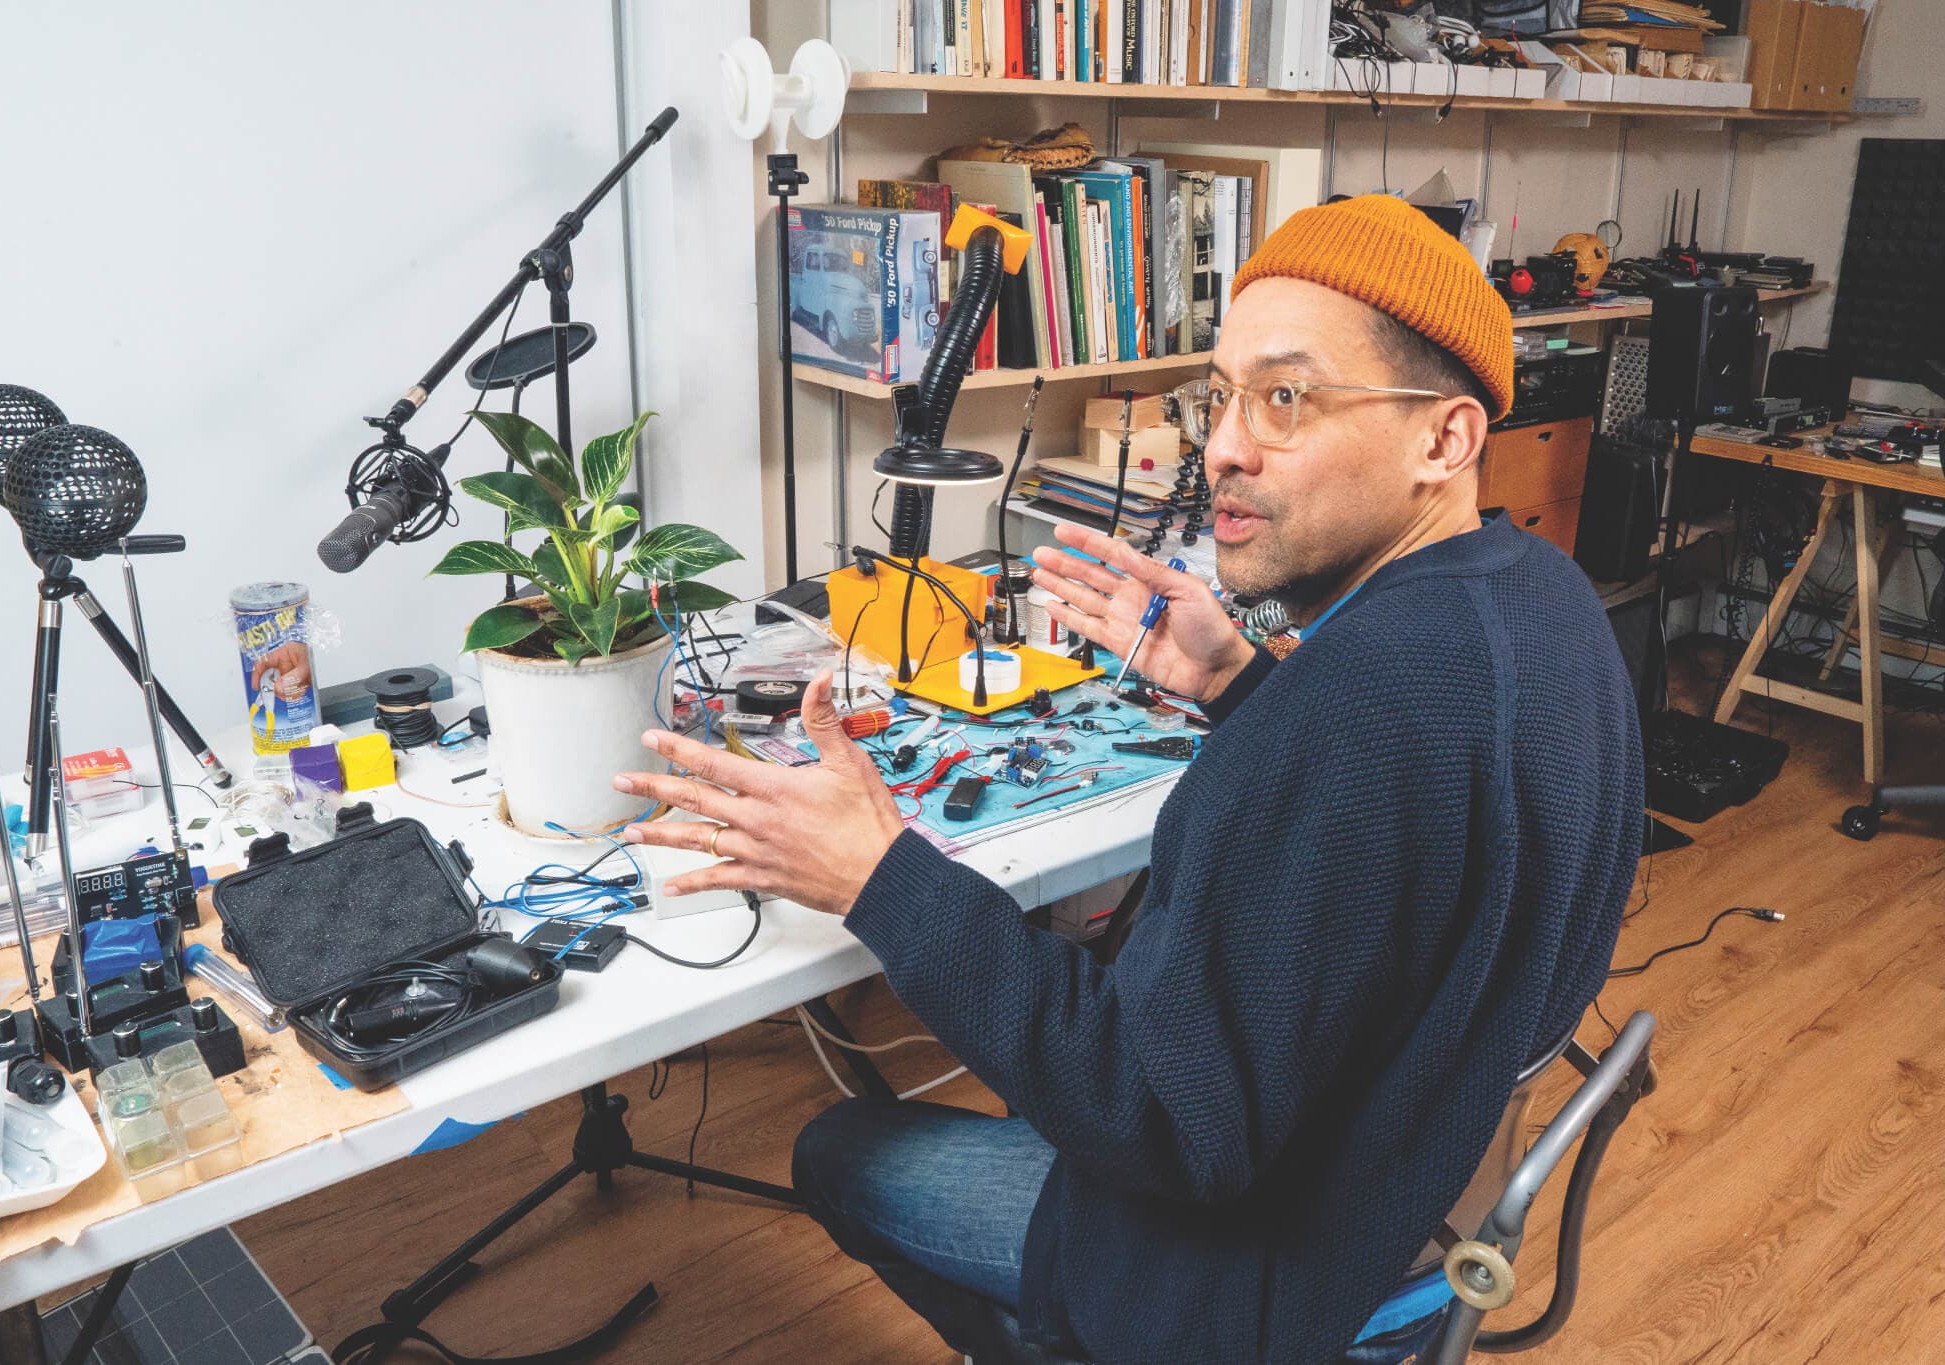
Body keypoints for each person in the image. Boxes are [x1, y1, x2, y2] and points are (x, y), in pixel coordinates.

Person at [613, 194, 1644, 1363]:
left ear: (1443, 441)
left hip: (1256, 1276)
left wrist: (877, 877)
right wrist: (1243, 686)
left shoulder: (1361, 705)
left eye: (1286, 399)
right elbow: (1408, 832)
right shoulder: (1537, 598)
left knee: (837, 1151)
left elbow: (1159, 1121)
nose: (1223, 449)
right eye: (1221, 396)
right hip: (1407, 1195)